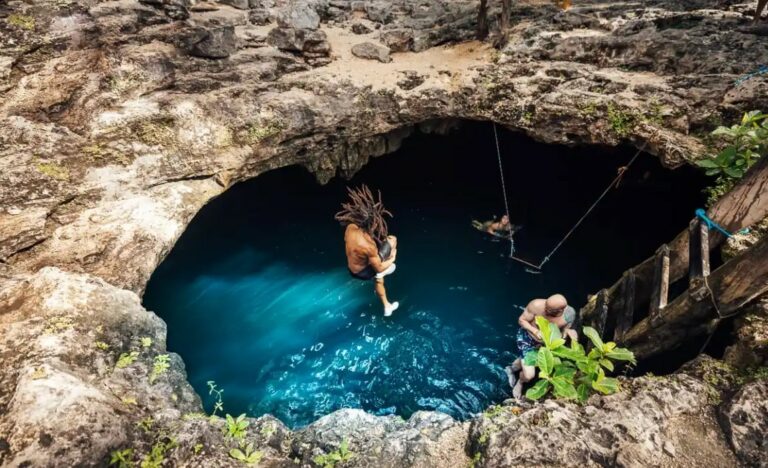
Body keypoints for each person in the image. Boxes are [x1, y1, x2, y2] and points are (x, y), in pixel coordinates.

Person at [335, 185, 400, 316]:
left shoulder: (350, 228)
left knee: (377, 253)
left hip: (351, 268)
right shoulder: (368, 246)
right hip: (363, 272)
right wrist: (393, 257)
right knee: (392, 241)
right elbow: (379, 267)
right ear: (373, 223)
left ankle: (387, 305)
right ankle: (387, 305)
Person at [505, 294, 578, 399]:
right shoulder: (536, 305)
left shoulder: (569, 314)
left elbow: (565, 328)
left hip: (545, 344)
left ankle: (511, 369)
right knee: (529, 375)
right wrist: (535, 331)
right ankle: (520, 382)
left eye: (550, 310)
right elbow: (521, 320)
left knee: (525, 360)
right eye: (546, 307)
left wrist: (569, 331)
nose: (546, 311)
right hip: (527, 339)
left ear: (561, 310)